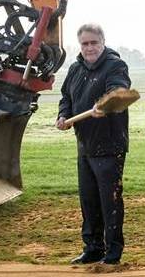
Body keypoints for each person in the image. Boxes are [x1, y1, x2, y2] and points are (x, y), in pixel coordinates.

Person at [56, 24, 130, 265]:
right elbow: (66, 96)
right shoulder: (76, 69)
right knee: (88, 200)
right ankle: (92, 248)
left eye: (93, 43)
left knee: (110, 200)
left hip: (109, 146)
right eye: (85, 44)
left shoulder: (115, 65)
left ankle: (113, 252)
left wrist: (105, 105)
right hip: (85, 145)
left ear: (103, 42)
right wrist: (63, 116)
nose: (89, 48)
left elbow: (118, 91)